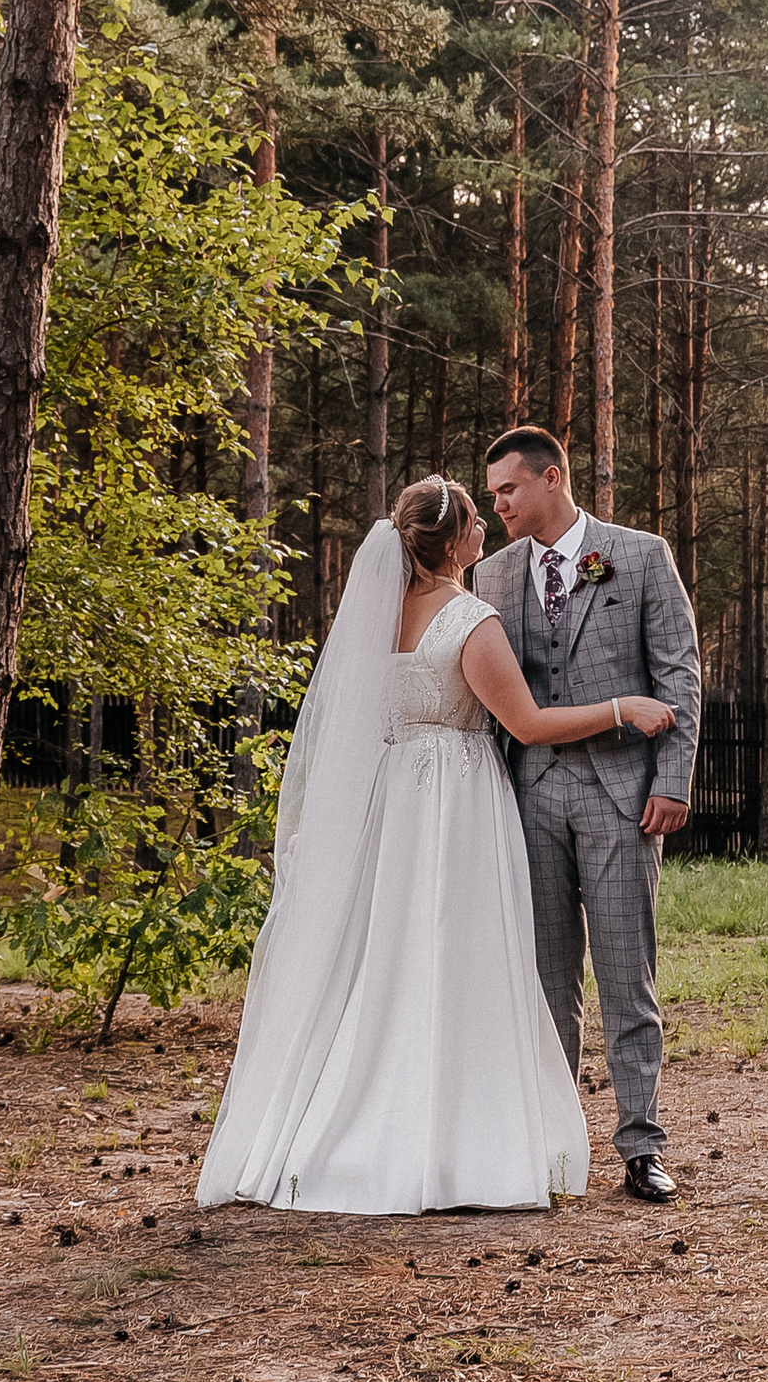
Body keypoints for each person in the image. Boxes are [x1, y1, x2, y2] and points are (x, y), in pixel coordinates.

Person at [197, 479, 676, 1217]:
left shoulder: (378, 616)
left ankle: (364, 1122)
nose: (489, 523)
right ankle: (454, 1138)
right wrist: (622, 707)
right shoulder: (470, 618)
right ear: (452, 543)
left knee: (391, 960)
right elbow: (527, 724)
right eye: (476, 517)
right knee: (458, 958)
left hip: (394, 805)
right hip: (456, 800)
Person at [474, 427, 701, 1205]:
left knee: (625, 974)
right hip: (528, 795)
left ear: (552, 477)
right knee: (543, 981)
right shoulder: (490, 574)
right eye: (493, 493)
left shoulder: (638, 554)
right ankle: (553, 1143)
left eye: (508, 489)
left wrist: (673, 781)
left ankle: (642, 1146)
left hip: (623, 799)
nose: (496, 503)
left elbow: (679, 673)